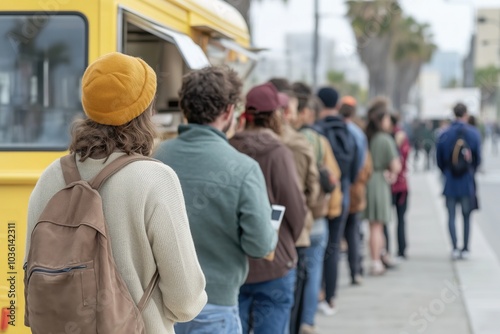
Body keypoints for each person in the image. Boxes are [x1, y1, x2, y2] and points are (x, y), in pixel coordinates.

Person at [25, 52, 207, 334]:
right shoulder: (155, 178)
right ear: (145, 113)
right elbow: (185, 301)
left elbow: (31, 272)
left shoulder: (51, 177)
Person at [154, 66, 278, 334]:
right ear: (229, 112)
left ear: (185, 108)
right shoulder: (244, 168)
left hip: (159, 307)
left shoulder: (155, 157)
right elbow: (260, 246)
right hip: (216, 305)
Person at [230, 82, 307, 334]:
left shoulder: (229, 147)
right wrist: (285, 241)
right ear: (275, 115)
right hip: (275, 262)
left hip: (234, 261)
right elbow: (296, 208)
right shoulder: (278, 152)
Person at [292, 83, 342, 334]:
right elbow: (334, 177)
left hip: (290, 221)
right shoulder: (319, 141)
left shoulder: (285, 141)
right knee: (312, 273)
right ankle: (308, 322)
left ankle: (291, 322)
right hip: (317, 219)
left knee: (290, 276)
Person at [273, 87, 320, 334]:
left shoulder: (243, 142)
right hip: (297, 231)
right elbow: (313, 188)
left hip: (262, 233)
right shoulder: (300, 143)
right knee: (293, 297)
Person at [314, 87, 362, 315]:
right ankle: (330, 298)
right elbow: (356, 166)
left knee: (313, 248)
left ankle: (315, 294)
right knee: (333, 248)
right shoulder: (350, 131)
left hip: (319, 199)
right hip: (340, 197)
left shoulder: (316, 131)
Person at [437, 103, 482, 260]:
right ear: (465, 114)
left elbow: (439, 159)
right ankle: (466, 248)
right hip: (466, 181)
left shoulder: (445, 133)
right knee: (466, 215)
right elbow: (478, 159)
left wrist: (448, 171)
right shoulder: (474, 133)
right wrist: (470, 170)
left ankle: (454, 247)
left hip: (450, 180)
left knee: (450, 215)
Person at [364, 99, 402, 275]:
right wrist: (392, 174)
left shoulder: (366, 136)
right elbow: (396, 165)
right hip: (379, 181)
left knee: (373, 225)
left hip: (367, 181)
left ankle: (380, 256)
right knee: (377, 227)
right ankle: (376, 261)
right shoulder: (385, 139)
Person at [338, 96, 371, 284]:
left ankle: (327, 283)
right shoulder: (357, 133)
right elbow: (362, 161)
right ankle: (355, 271)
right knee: (353, 230)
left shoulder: (328, 130)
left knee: (335, 236)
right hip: (354, 188)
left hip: (336, 189)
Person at [389, 114, 411, 259]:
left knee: (383, 220)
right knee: (401, 218)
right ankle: (402, 249)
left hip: (390, 185)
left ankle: (384, 250)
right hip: (401, 185)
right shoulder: (402, 137)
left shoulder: (386, 137)